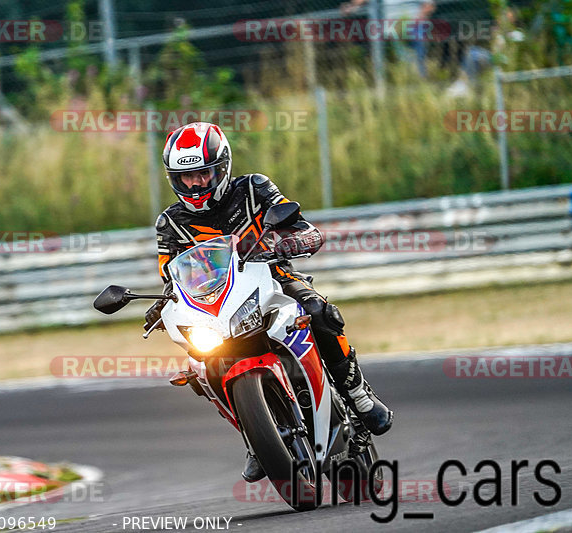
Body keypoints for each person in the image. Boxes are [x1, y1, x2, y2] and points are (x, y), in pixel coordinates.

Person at [144, 122, 393, 483]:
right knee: (200, 366)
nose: (196, 185)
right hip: (217, 303)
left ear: (222, 167)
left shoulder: (253, 188)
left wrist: (297, 240)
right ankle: (255, 436)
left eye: (203, 174)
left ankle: (358, 394)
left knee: (320, 313)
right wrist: (163, 300)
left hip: (272, 278)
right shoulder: (170, 223)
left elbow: (299, 225)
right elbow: (170, 273)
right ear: (173, 179)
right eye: (186, 178)